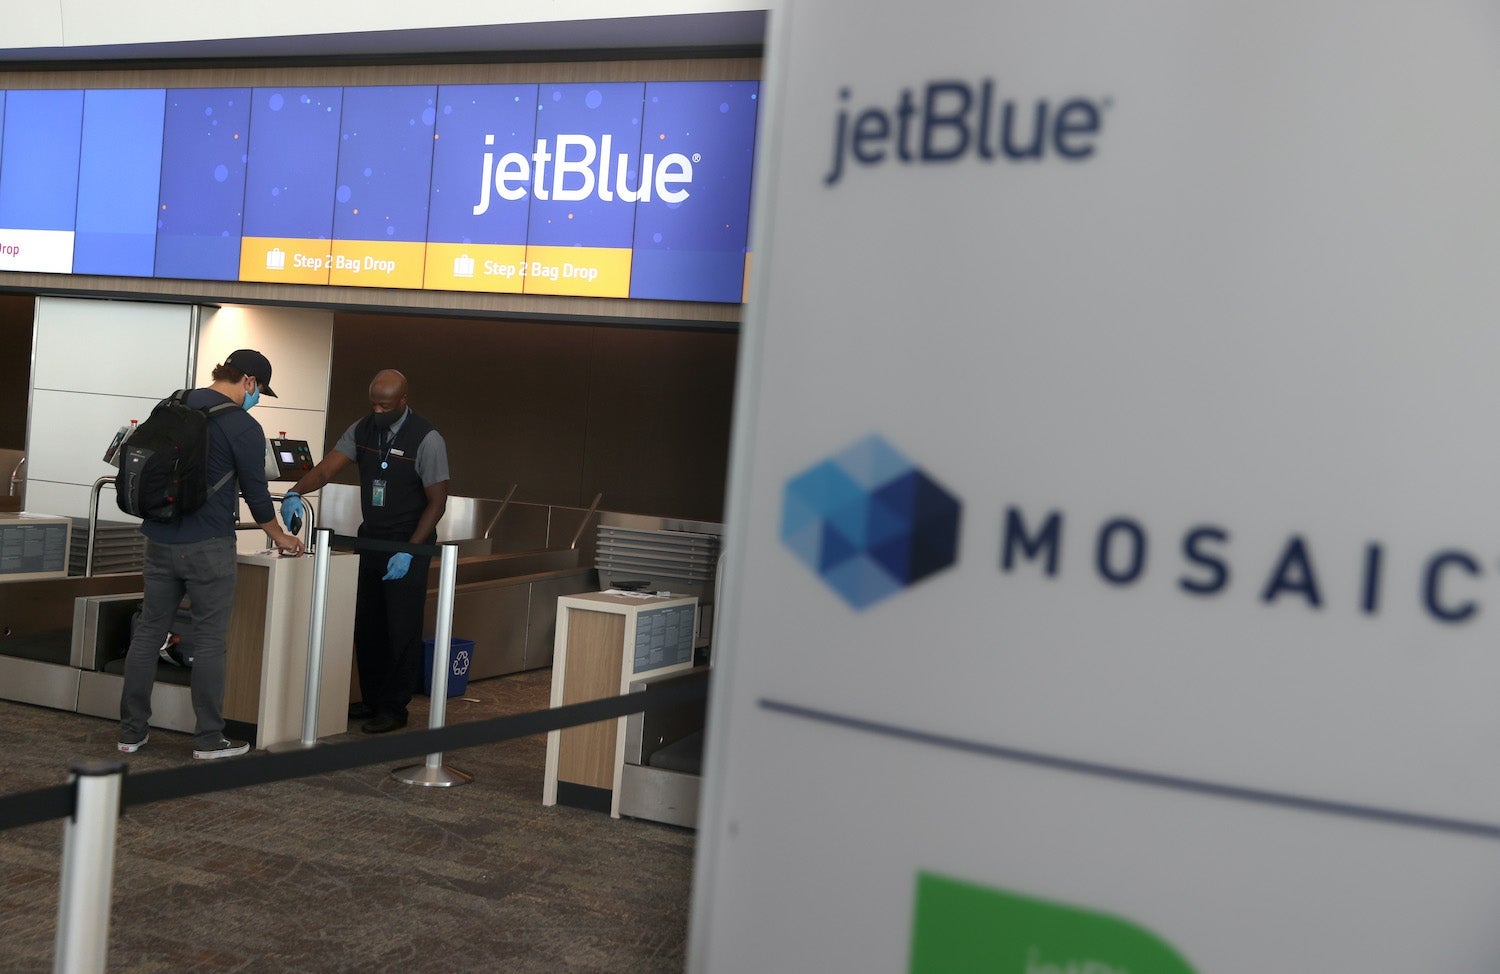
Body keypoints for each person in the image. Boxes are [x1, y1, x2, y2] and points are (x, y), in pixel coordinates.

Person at [119, 349, 304, 759]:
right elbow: (256, 494)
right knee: (209, 641)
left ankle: (131, 733)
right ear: (249, 381)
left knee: (149, 632)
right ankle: (208, 739)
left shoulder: (173, 403)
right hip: (208, 546)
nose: (256, 398)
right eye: (259, 390)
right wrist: (280, 536)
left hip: (159, 538)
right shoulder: (243, 426)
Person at [280, 369, 449, 734]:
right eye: (373, 403)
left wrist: (411, 550)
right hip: (370, 538)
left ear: (403, 401)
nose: (377, 410)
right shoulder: (362, 429)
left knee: (400, 627)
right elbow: (326, 469)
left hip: (408, 542)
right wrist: (295, 492)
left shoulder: (427, 438)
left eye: (384, 405)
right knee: (368, 623)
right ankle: (372, 698)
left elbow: (437, 502)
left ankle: (394, 707)